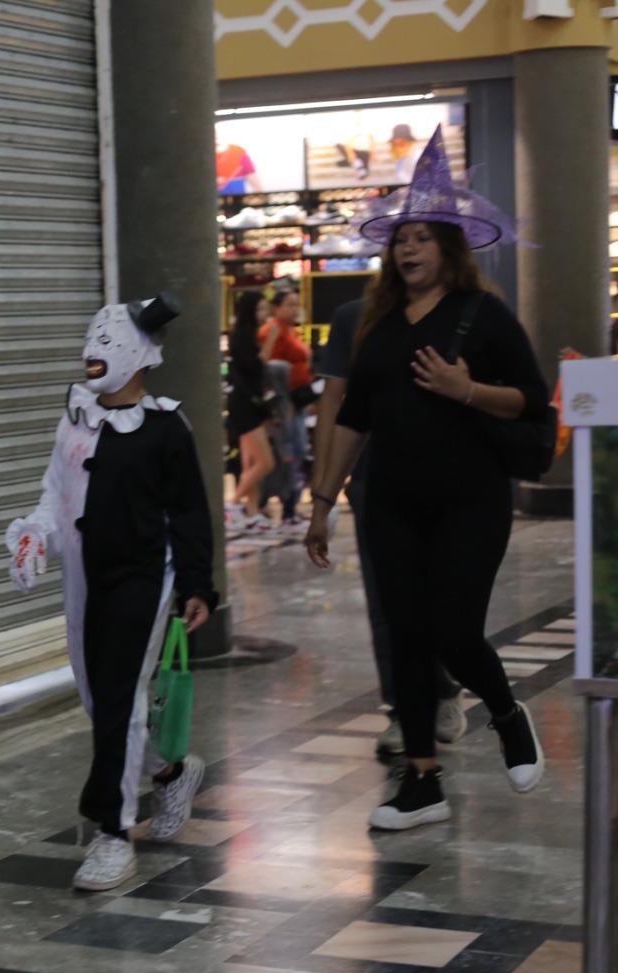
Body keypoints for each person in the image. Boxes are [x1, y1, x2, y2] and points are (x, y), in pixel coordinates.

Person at [306, 127, 547, 830]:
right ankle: (421, 781)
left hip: (470, 499)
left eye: (422, 238)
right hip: (391, 501)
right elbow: (352, 418)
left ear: (449, 247)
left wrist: (464, 388)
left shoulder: (483, 314)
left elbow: (532, 401)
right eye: (400, 239)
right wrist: (321, 502)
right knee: (406, 636)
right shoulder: (377, 324)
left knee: (453, 630)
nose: (408, 249)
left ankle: (506, 713)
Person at [7, 294, 217, 891]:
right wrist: (34, 536)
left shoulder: (166, 428)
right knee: (103, 705)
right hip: (84, 578)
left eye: (107, 340)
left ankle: (113, 832)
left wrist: (198, 584)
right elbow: (55, 494)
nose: (92, 351)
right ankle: (171, 772)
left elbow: (189, 513)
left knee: (120, 700)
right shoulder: (74, 419)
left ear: (140, 353)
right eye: (90, 339)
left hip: (143, 579)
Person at [315, 298, 467, 756]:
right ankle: (402, 710)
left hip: (444, 475)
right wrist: (322, 492)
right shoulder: (352, 317)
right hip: (373, 480)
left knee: (438, 595)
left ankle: (444, 687)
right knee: (386, 601)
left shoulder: (459, 311)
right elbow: (333, 401)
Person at [225, 290, 276, 535]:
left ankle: (252, 512)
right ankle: (234, 504)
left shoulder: (246, 335)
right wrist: (270, 341)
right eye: (260, 309)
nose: (265, 314)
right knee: (266, 463)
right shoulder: (243, 336)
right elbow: (256, 365)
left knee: (252, 463)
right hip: (245, 405)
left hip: (248, 404)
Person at [259, 289, 311, 526]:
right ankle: (278, 504)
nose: (294, 309)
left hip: (297, 401)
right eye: (289, 304)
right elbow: (266, 371)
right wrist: (279, 405)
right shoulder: (271, 331)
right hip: (283, 403)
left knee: (297, 451)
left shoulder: (292, 331)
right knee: (285, 453)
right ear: (276, 308)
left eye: (296, 304)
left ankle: (291, 504)